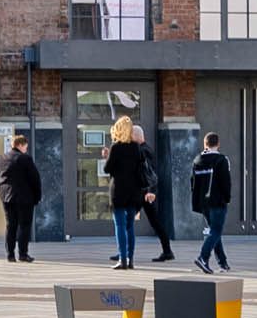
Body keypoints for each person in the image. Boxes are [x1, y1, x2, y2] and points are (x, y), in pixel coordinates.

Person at [100, 116, 151, 270]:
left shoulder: (116, 148)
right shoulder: (136, 148)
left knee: (120, 225)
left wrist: (107, 157)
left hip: (119, 191)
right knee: (130, 227)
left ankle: (122, 259)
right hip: (134, 192)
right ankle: (131, 260)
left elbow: (107, 169)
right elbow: (141, 169)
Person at [188, 130, 236, 273]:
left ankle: (223, 263)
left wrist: (197, 201)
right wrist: (227, 198)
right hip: (217, 201)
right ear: (218, 144)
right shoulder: (222, 160)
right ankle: (203, 257)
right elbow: (226, 182)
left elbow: (193, 182)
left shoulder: (197, 160)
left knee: (214, 231)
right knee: (216, 231)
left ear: (205, 144)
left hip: (203, 203)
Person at [0, 131, 43, 262]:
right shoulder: (26, 159)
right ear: (20, 145)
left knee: (11, 225)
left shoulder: (2, 158)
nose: (26, 149)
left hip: (7, 198)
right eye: (26, 146)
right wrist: (37, 196)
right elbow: (35, 179)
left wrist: (1, 190)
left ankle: (10, 255)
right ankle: (23, 254)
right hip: (25, 199)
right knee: (24, 225)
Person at [139, 127, 181, 263]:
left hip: (146, 193)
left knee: (154, 222)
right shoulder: (145, 149)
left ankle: (167, 251)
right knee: (152, 222)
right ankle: (167, 251)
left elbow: (151, 173)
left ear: (136, 136)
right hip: (144, 191)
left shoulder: (144, 151)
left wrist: (151, 191)